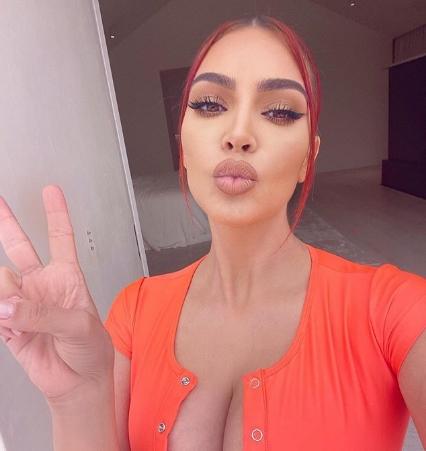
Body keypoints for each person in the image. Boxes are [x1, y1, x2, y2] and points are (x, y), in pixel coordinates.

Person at [0, 14, 425, 451]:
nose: (238, 134)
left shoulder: (396, 310)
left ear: (307, 158)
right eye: (209, 105)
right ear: (183, 144)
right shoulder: (135, 310)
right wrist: (76, 398)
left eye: (279, 112)